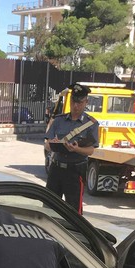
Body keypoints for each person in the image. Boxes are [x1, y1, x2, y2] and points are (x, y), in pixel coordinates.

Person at [44, 83, 99, 214]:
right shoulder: (59, 120)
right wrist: (53, 144)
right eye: (74, 101)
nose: (76, 106)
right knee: (48, 208)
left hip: (75, 171)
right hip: (56, 169)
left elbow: (91, 150)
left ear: (86, 102)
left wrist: (76, 149)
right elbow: (46, 144)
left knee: (73, 212)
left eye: (80, 103)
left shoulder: (91, 124)